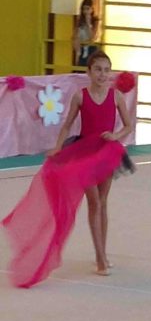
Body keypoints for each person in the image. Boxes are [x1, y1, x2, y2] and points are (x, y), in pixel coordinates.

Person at [3, 51, 135, 287]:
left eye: (106, 70)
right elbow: (67, 125)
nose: (102, 74)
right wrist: (57, 147)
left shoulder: (115, 96)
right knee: (94, 202)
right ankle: (100, 258)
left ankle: (102, 253)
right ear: (89, 72)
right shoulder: (80, 96)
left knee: (103, 202)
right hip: (85, 154)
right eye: (98, 69)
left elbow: (128, 125)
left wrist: (116, 135)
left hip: (107, 153)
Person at [73, 0, 100, 67]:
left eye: (87, 9)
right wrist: (77, 50)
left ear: (92, 9)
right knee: (80, 67)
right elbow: (75, 36)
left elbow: (92, 37)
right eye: (83, 9)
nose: (85, 11)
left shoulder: (95, 21)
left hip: (91, 48)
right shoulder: (79, 20)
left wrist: (88, 24)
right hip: (80, 48)